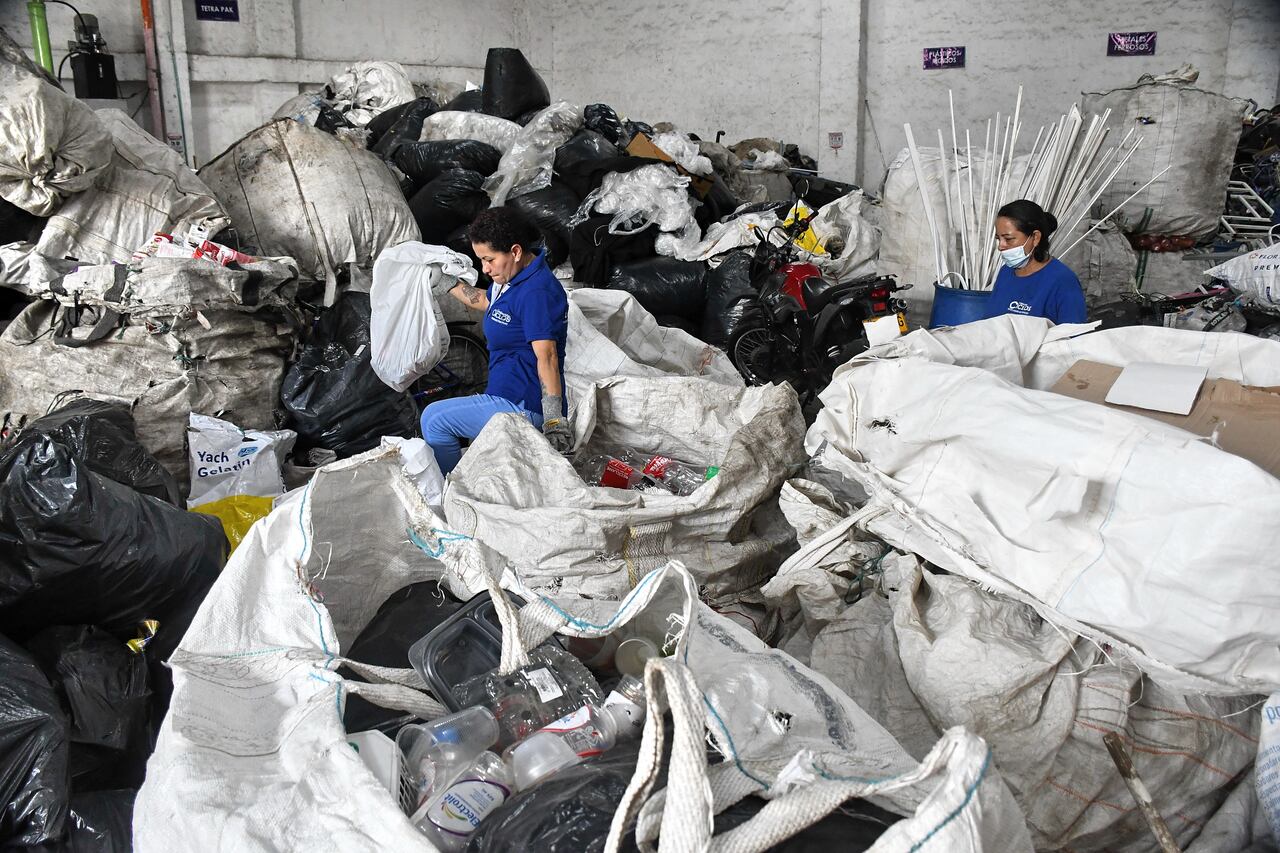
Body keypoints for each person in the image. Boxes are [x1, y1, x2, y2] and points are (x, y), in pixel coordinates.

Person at [422, 206, 571, 475]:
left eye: (489, 259)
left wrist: (553, 419)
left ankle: (451, 495)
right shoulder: (510, 278)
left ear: (515, 251)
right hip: (503, 395)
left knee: (434, 420)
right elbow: (488, 302)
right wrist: (448, 283)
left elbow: (547, 356)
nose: (484, 268)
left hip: (524, 406)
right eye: (481, 260)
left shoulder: (536, 292)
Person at [984, 199, 1087, 324]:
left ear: (1035, 238)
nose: (1000, 246)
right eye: (998, 238)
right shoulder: (1005, 272)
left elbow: (1074, 338)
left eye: (1008, 239)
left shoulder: (1063, 281)